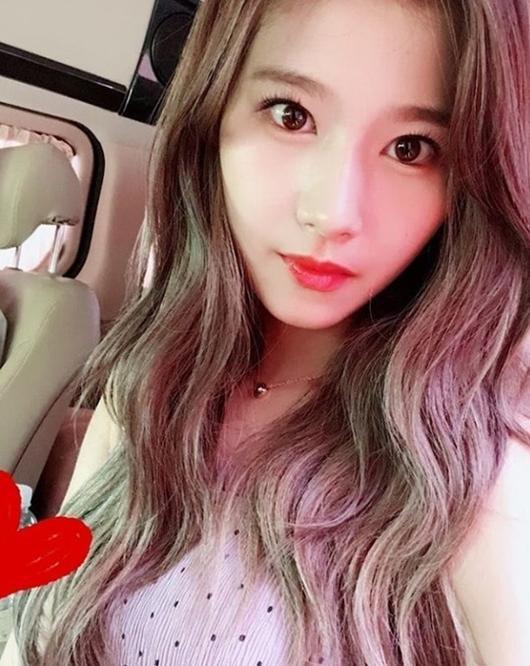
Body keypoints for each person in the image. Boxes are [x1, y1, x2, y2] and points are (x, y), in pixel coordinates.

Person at [3, 0, 530, 664]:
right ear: (214, 116)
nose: (332, 212)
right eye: (291, 114)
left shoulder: (478, 462)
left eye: (411, 148)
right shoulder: (151, 373)